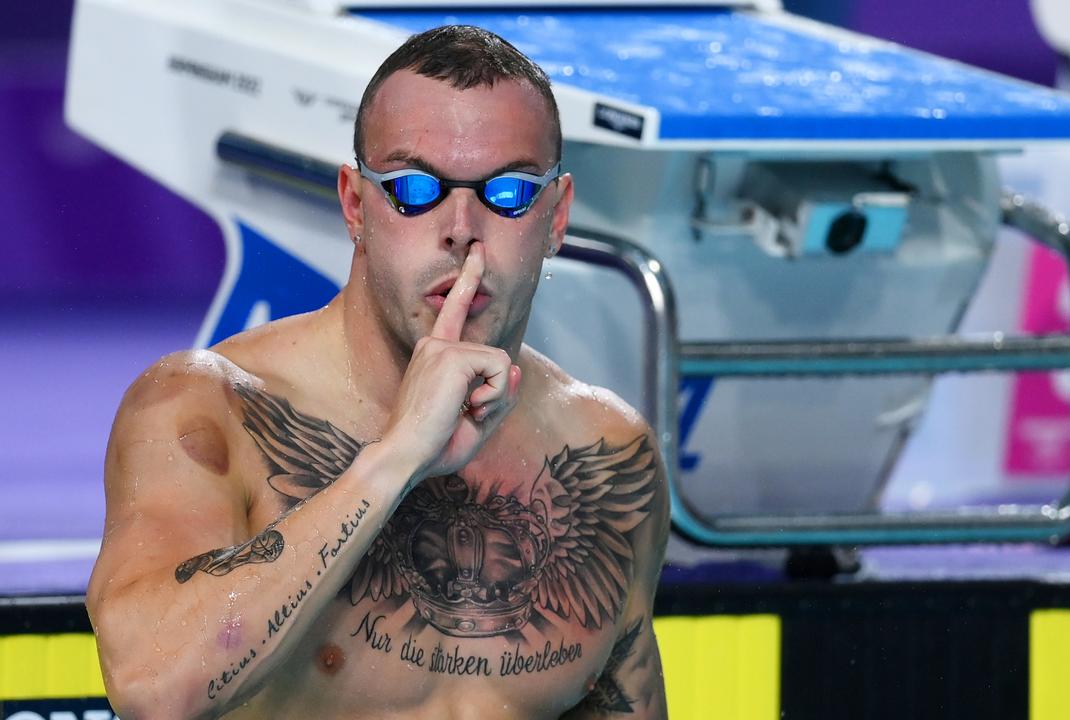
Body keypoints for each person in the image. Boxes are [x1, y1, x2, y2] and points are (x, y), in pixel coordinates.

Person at [86, 24, 670, 720]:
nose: (461, 228)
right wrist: (394, 459)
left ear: (556, 216)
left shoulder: (606, 449)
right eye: (414, 188)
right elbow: (152, 687)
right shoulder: (208, 409)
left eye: (508, 191)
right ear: (355, 205)